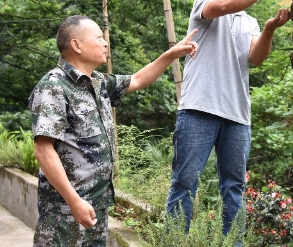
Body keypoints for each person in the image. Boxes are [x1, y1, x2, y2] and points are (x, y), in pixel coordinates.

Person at [165, 0, 293, 235]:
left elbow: (256, 59)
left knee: (234, 189)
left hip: (238, 116)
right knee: (185, 182)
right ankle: (175, 241)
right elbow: (225, 7)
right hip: (198, 109)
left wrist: (268, 29)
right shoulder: (206, 2)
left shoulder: (248, 21)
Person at [30, 15, 198, 247]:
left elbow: (137, 80)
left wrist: (171, 55)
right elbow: (43, 150)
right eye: (99, 37)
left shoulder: (98, 82)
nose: (105, 43)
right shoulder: (54, 86)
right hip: (65, 211)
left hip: (96, 205)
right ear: (76, 45)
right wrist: (74, 202)